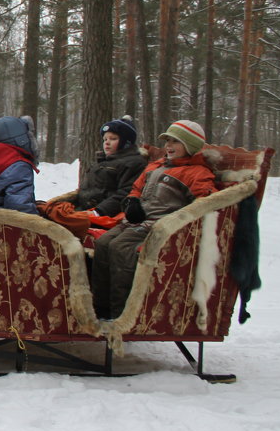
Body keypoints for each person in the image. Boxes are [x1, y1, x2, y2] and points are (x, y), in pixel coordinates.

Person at [90, 119, 218, 319]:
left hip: (157, 225)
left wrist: (176, 219)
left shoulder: (197, 173)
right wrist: (131, 203)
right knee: (104, 243)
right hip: (135, 221)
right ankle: (100, 307)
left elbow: (205, 202)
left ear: (190, 146)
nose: (168, 146)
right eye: (167, 141)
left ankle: (121, 313)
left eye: (175, 142)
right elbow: (136, 189)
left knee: (120, 248)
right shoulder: (155, 167)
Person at [39, 116, 148, 238]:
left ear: (126, 142)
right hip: (84, 209)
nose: (107, 142)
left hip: (106, 214)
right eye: (105, 139)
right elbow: (87, 190)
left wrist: (98, 211)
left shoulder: (134, 163)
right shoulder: (102, 162)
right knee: (45, 212)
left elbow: (125, 193)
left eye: (113, 138)